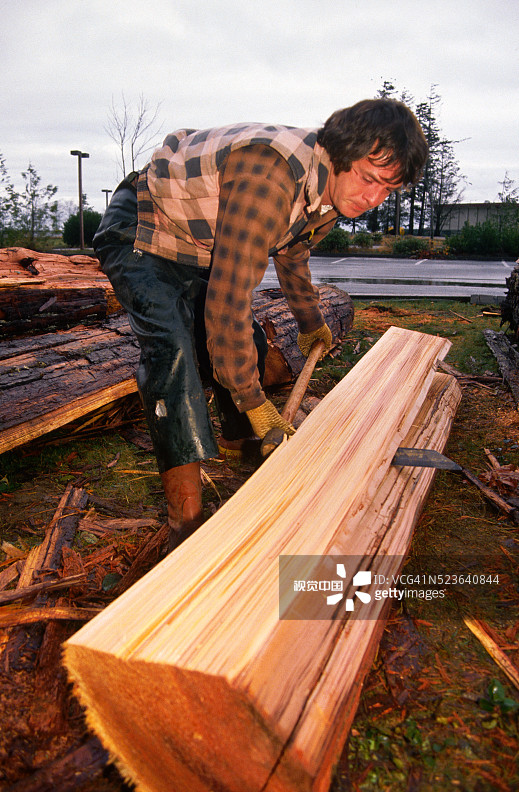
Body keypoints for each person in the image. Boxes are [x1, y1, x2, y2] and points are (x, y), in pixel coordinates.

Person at [93, 98, 428, 552]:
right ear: (338, 154)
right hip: (144, 229)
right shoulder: (270, 176)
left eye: (387, 190)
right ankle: (185, 522)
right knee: (173, 356)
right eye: (369, 180)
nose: (373, 199)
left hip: (196, 243)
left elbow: (292, 250)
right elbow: (228, 299)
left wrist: (310, 320)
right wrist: (254, 400)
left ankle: (239, 443)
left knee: (247, 338)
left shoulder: (329, 193)